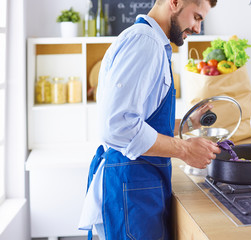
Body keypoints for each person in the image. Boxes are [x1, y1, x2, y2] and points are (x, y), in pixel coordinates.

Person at [78, 0, 219, 239]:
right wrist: (185, 150)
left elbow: (143, 123)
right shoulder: (145, 43)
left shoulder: (152, 43)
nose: (197, 28)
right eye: (196, 17)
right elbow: (118, 126)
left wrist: (189, 123)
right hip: (131, 186)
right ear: (174, 2)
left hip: (138, 185)